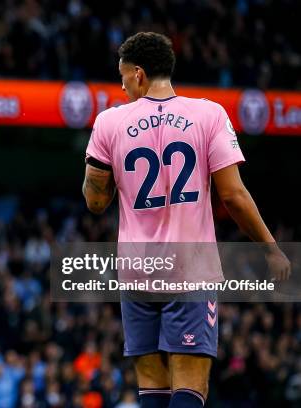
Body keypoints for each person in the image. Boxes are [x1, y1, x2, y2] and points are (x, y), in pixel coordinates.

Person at [82, 32, 291, 408]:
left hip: (137, 269)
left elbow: (96, 201)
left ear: (140, 75)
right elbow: (234, 196)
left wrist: (100, 170)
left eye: (124, 76)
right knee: (191, 384)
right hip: (190, 268)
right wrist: (271, 249)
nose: (123, 85)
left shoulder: (108, 122)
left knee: (151, 384)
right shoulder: (209, 114)